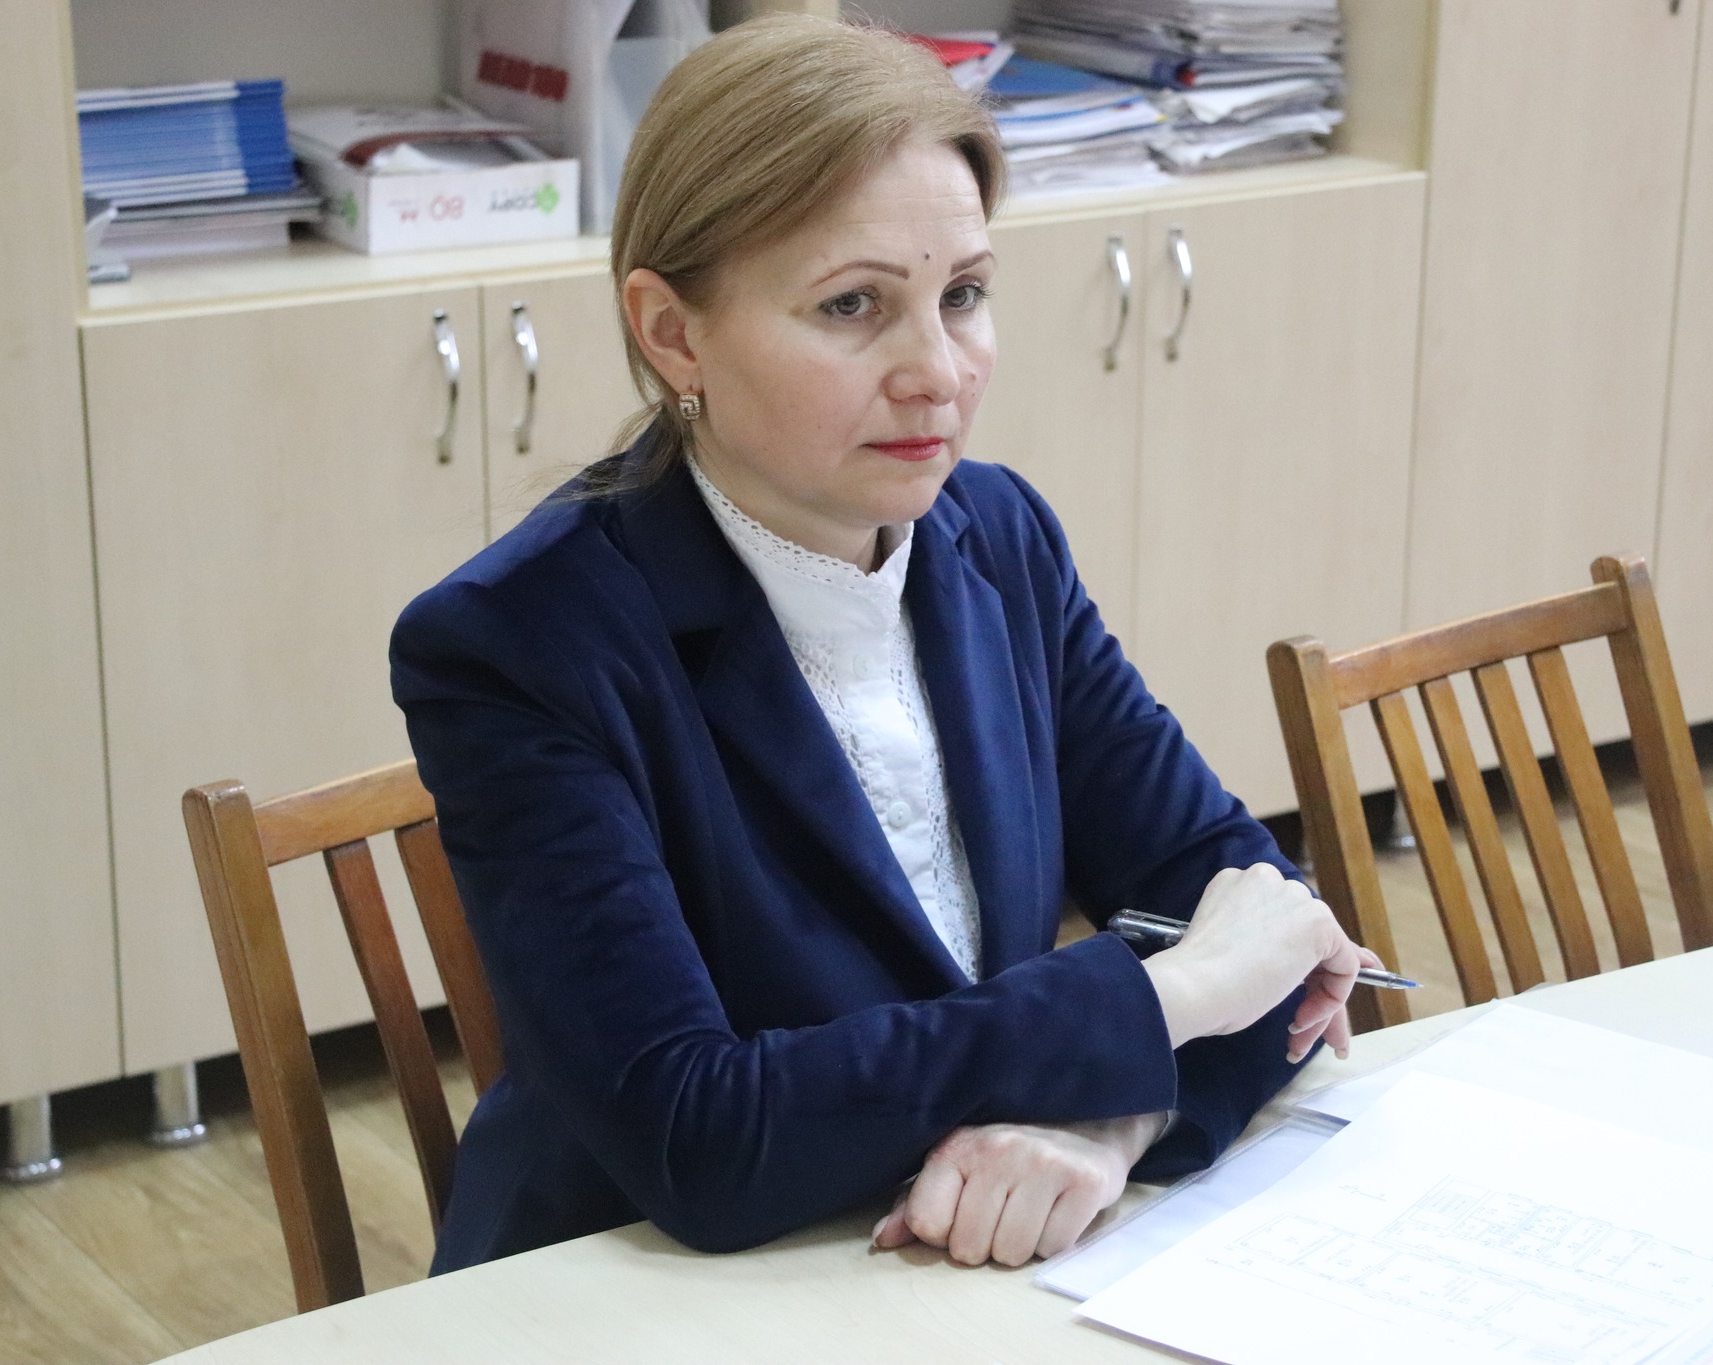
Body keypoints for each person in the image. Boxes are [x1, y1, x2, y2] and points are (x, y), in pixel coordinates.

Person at [391, 12, 1380, 1275]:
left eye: (961, 296)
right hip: (636, 1290)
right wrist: (1159, 999)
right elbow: (698, 1134)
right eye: (853, 305)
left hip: (944, 1256)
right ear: (672, 332)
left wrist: (1111, 1123)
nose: (937, 372)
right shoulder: (518, 642)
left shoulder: (998, 536)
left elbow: (1260, 926)